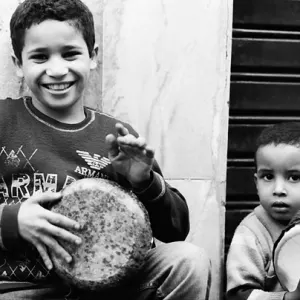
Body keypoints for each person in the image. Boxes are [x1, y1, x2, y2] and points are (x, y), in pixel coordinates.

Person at [0, 0, 212, 299]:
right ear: (19, 64)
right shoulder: (4, 121)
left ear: (93, 57)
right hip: (23, 290)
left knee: (188, 260)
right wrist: (11, 221)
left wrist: (144, 182)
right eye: (40, 57)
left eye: (71, 54)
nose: (58, 70)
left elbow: (175, 231)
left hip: (109, 289)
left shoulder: (116, 138)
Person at [226, 121, 300, 300]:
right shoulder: (252, 232)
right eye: (268, 177)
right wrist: (288, 298)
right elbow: (237, 295)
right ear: (256, 183)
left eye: (294, 177)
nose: (279, 189)